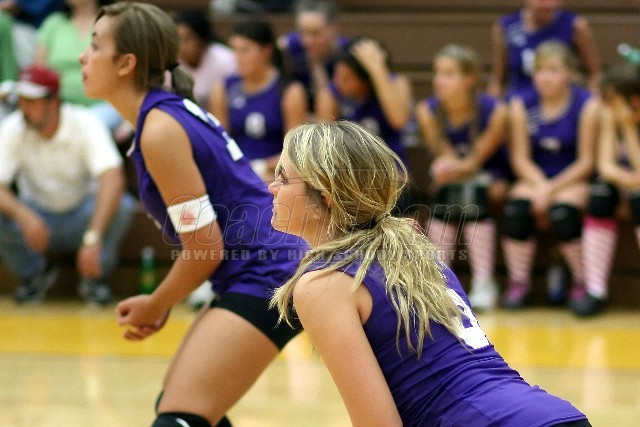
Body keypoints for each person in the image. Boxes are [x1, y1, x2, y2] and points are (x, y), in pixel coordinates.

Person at [269, 120, 591, 427]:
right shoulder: (414, 249)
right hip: (553, 414)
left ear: (325, 197)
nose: (271, 187)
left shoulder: (323, 283)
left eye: (283, 178)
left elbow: (378, 423)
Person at [80, 3, 306, 425]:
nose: (82, 57)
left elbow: (205, 247)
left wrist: (156, 303)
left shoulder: (160, 129)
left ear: (126, 63)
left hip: (267, 272)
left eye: (94, 46)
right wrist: (164, 301)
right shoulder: (166, 114)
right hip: (260, 266)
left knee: (180, 415)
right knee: (185, 406)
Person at [0, 64, 136, 305]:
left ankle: (95, 278)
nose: (23, 108)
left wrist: (93, 236)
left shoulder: (85, 122)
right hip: (37, 216)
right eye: (21, 100)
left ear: (53, 102)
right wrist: (24, 216)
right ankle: (34, 275)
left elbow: (112, 178)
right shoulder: (13, 126)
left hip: (81, 216)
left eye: (31, 101)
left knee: (123, 206)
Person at [501, 41, 598, 309]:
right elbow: (520, 158)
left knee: (562, 214)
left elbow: (586, 162)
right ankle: (519, 283)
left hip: (572, 177)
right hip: (535, 176)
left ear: (569, 73)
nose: (544, 77)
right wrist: (541, 186)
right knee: (516, 211)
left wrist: (551, 189)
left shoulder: (587, 105)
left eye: (553, 70)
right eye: (540, 70)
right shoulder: (522, 104)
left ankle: (582, 281)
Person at [415, 44, 509, 311]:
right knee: (450, 192)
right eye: (437, 73)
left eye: (448, 74)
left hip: (492, 174)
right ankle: (439, 281)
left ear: (469, 79)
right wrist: (443, 168)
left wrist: (447, 168)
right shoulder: (427, 110)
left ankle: (484, 282)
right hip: (456, 181)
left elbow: (473, 161)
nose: (439, 80)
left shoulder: (495, 110)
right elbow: (446, 157)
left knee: (471, 192)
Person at [576, 61, 640, 317]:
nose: (605, 104)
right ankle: (595, 291)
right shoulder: (609, 114)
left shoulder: (627, 118)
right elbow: (605, 165)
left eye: (611, 99)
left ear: (633, 100)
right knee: (600, 195)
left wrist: (628, 128)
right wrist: (627, 181)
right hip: (630, 181)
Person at [210, 19, 308, 183]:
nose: (238, 58)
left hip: (275, 174)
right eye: (235, 50)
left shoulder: (290, 90)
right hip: (236, 173)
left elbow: (294, 152)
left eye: (245, 50)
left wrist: (261, 167)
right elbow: (220, 145)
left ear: (266, 51)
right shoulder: (223, 88)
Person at [315, 36, 413, 172]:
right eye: (337, 75)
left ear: (367, 79)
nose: (338, 83)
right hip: (348, 170)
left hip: (390, 167)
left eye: (347, 78)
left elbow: (399, 120)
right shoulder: (331, 94)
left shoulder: (395, 83)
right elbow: (324, 144)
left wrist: (377, 69)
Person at [36, 0, 124, 134]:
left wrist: (129, 120)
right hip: (59, 107)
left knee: (87, 125)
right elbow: (37, 72)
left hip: (106, 105)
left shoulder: (112, 23)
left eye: (95, 47)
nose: (81, 58)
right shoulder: (53, 23)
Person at [487, 0, 601, 99]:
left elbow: (595, 75)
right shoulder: (506, 27)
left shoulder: (575, 26)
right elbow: (497, 80)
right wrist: (492, 105)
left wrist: (592, 101)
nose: (549, 4)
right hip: (519, 102)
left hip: (562, 102)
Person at [277, 0, 349, 112]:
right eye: (302, 32)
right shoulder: (287, 46)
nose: (307, 41)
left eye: (315, 33)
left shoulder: (346, 52)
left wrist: (317, 64)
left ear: (335, 29)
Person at [174, 8, 237, 110]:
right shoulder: (171, 63)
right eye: (178, 39)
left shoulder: (225, 59)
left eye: (187, 39)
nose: (181, 46)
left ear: (202, 39)